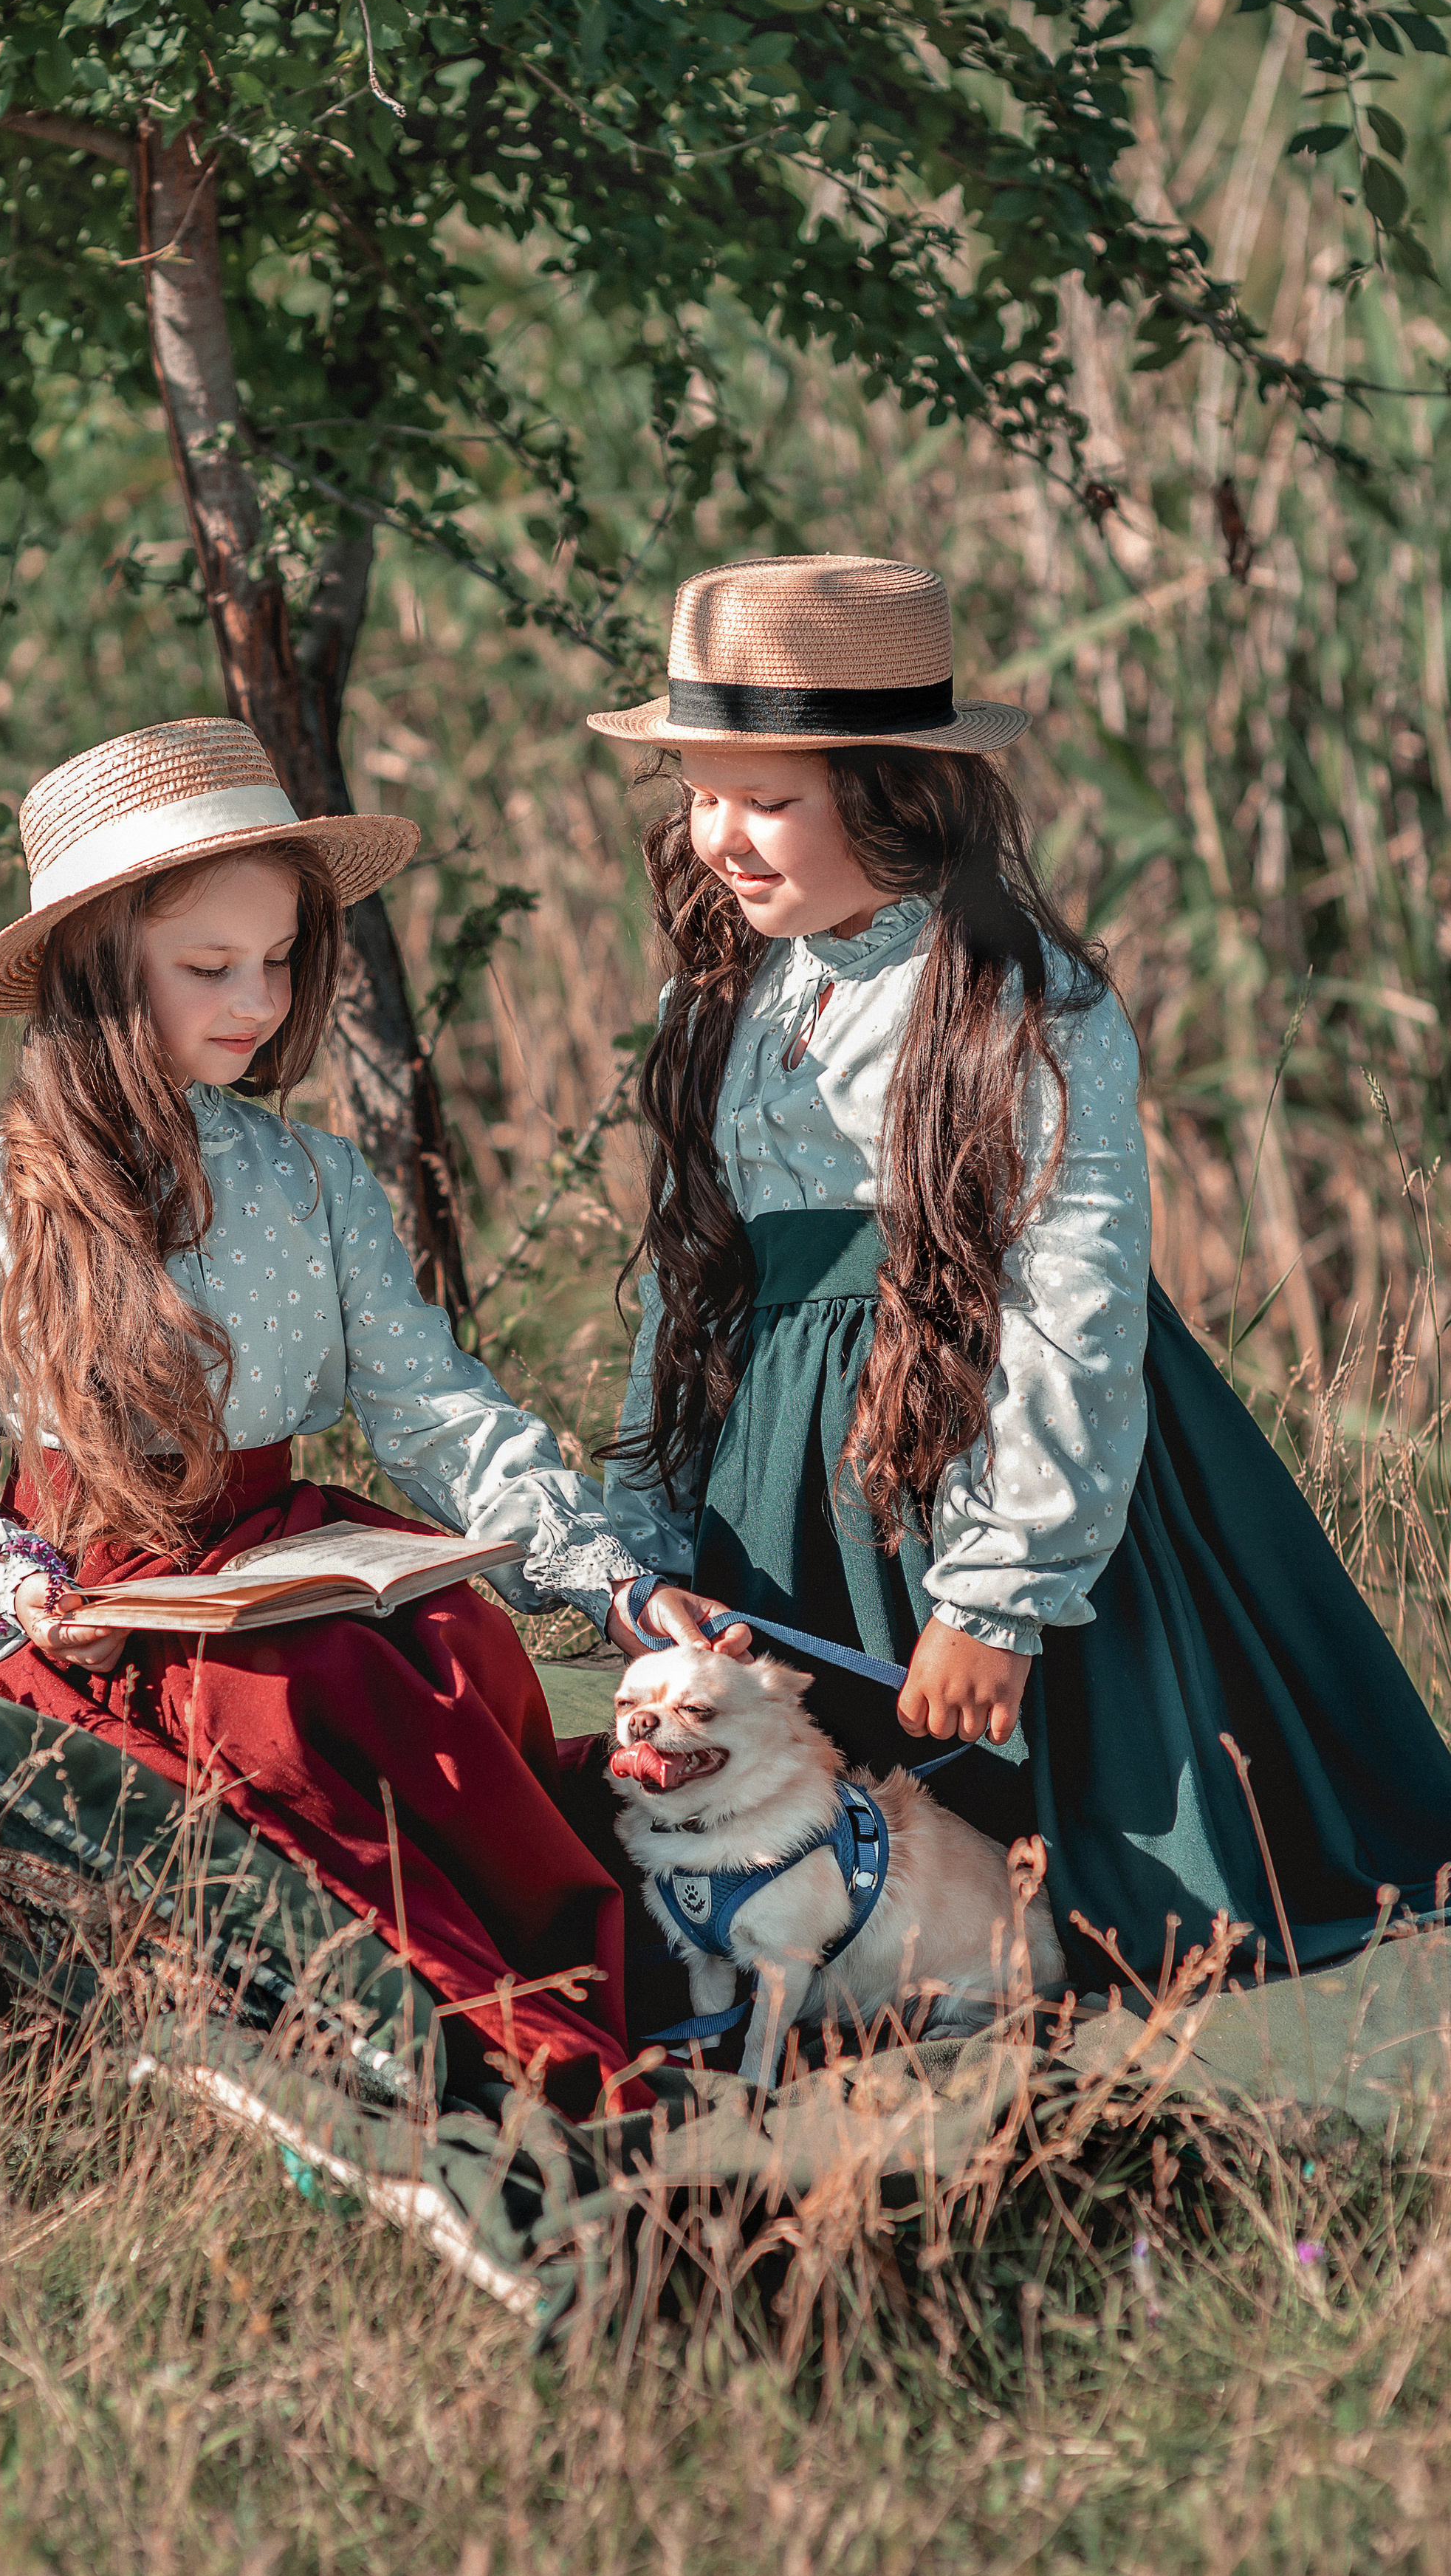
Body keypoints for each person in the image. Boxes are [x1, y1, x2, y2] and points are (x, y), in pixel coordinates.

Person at [587, 552, 1451, 1990]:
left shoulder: (1021, 1004)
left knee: (1060, 1855)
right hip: (780, 1473)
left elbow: (1069, 1304)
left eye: (769, 800)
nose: (721, 836)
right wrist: (653, 1528)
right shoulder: (719, 995)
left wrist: (996, 1598)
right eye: (700, 792)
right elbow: (693, 1288)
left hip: (971, 1444)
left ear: (894, 797)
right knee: (789, 1830)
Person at [0, 716, 664, 2113]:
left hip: (290, 1559)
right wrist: (32, 1597)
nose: (255, 999)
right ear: (102, 971)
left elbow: (438, 1412)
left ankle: (559, 2004)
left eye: (280, 959)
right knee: (297, 1707)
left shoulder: (312, 1178)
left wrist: (607, 1579)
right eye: (209, 966)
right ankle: (452, 2045)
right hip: (99, 1607)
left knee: (449, 1644)